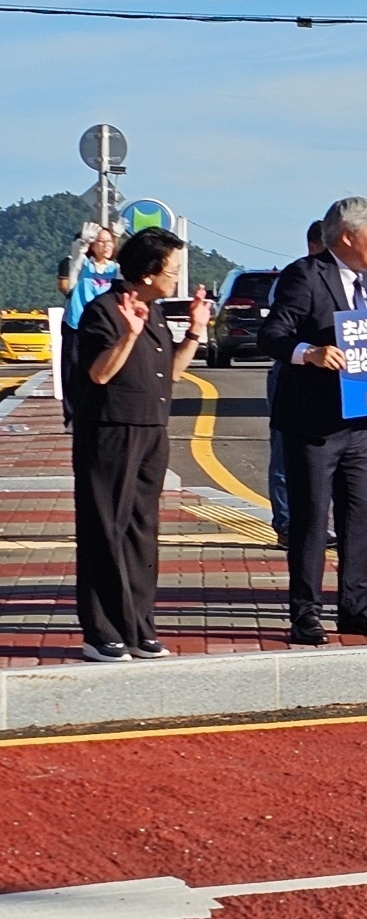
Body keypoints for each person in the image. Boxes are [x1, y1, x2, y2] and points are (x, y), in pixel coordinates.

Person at [259, 197, 367, 645]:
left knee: (359, 518)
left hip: (359, 422)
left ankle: (357, 608)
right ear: (348, 236)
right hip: (314, 423)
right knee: (312, 519)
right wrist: (309, 354)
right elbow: (273, 335)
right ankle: (306, 614)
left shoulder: (366, 284)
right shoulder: (306, 275)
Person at [71, 227, 211, 662]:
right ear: (149, 274)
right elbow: (98, 373)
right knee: (104, 529)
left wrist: (195, 331)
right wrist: (128, 335)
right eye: (172, 270)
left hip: (152, 429)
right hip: (111, 430)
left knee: (141, 532)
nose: (176, 278)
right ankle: (102, 632)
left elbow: (168, 373)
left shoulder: (151, 312)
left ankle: (139, 627)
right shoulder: (104, 311)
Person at [265, 220, 326, 548]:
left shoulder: (350, 282)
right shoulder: (297, 276)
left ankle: (315, 524)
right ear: (316, 245)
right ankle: (287, 524)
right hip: (290, 373)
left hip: (326, 381)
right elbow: (276, 333)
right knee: (284, 450)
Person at [61, 223, 122, 427]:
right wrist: (82, 243)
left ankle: (100, 413)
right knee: (72, 372)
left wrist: (119, 236)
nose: (106, 245)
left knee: (103, 370)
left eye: (109, 241)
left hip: (105, 327)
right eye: (100, 241)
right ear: (92, 245)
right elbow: (75, 261)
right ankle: (72, 417)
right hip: (77, 324)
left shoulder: (116, 270)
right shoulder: (83, 267)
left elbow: (128, 267)